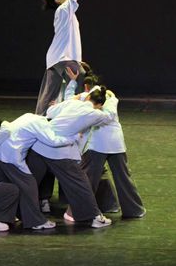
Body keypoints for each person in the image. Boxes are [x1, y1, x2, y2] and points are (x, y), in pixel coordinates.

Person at [26, 88, 117, 228]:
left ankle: (16, 214)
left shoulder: (73, 103)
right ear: (99, 105)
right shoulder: (95, 114)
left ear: (88, 98)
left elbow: (50, 112)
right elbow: (110, 116)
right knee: (80, 184)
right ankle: (95, 217)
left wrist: (75, 98)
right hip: (58, 151)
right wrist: (113, 99)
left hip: (38, 146)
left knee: (28, 182)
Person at [64, 71, 146, 218]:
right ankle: (134, 210)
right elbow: (70, 101)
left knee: (88, 179)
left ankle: (78, 212)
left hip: (98, 145)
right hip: (115, 144)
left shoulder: (98, 97)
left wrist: (88, 117)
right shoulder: (98, 96)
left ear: (87, 87)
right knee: (123, 178)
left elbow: (107, 116)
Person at [0, 113, 76, 229]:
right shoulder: (41, 124)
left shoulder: (30, 116)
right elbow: (52, 141)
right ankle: (35, 222)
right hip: (11, 156)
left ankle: (3, 217)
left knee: (7, 188)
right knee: (30, 186)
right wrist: (72, 139)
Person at [35, 0, 85, 116]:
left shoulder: (65, 12)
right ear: (57, 0)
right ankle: (74, 118)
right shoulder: (63, 10)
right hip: (63, 57)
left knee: (48, 95)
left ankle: (38, 120)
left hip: (56, 58)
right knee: (81, 77)